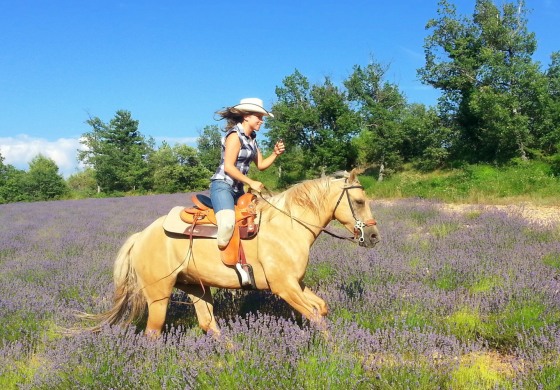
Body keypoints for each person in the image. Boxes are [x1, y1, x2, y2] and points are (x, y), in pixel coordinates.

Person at [210, 97, 285, 252]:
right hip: (223, 186)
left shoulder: (252, 139)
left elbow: (261, 165)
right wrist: (251, 182)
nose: (261, 121)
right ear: (246, 116)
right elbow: (229, 167)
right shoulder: (234, 136)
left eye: (262, 118)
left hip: (238, 191)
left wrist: (275, 154)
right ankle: (215, 263)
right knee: (227, 224)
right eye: (259, 117)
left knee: (258, 219)